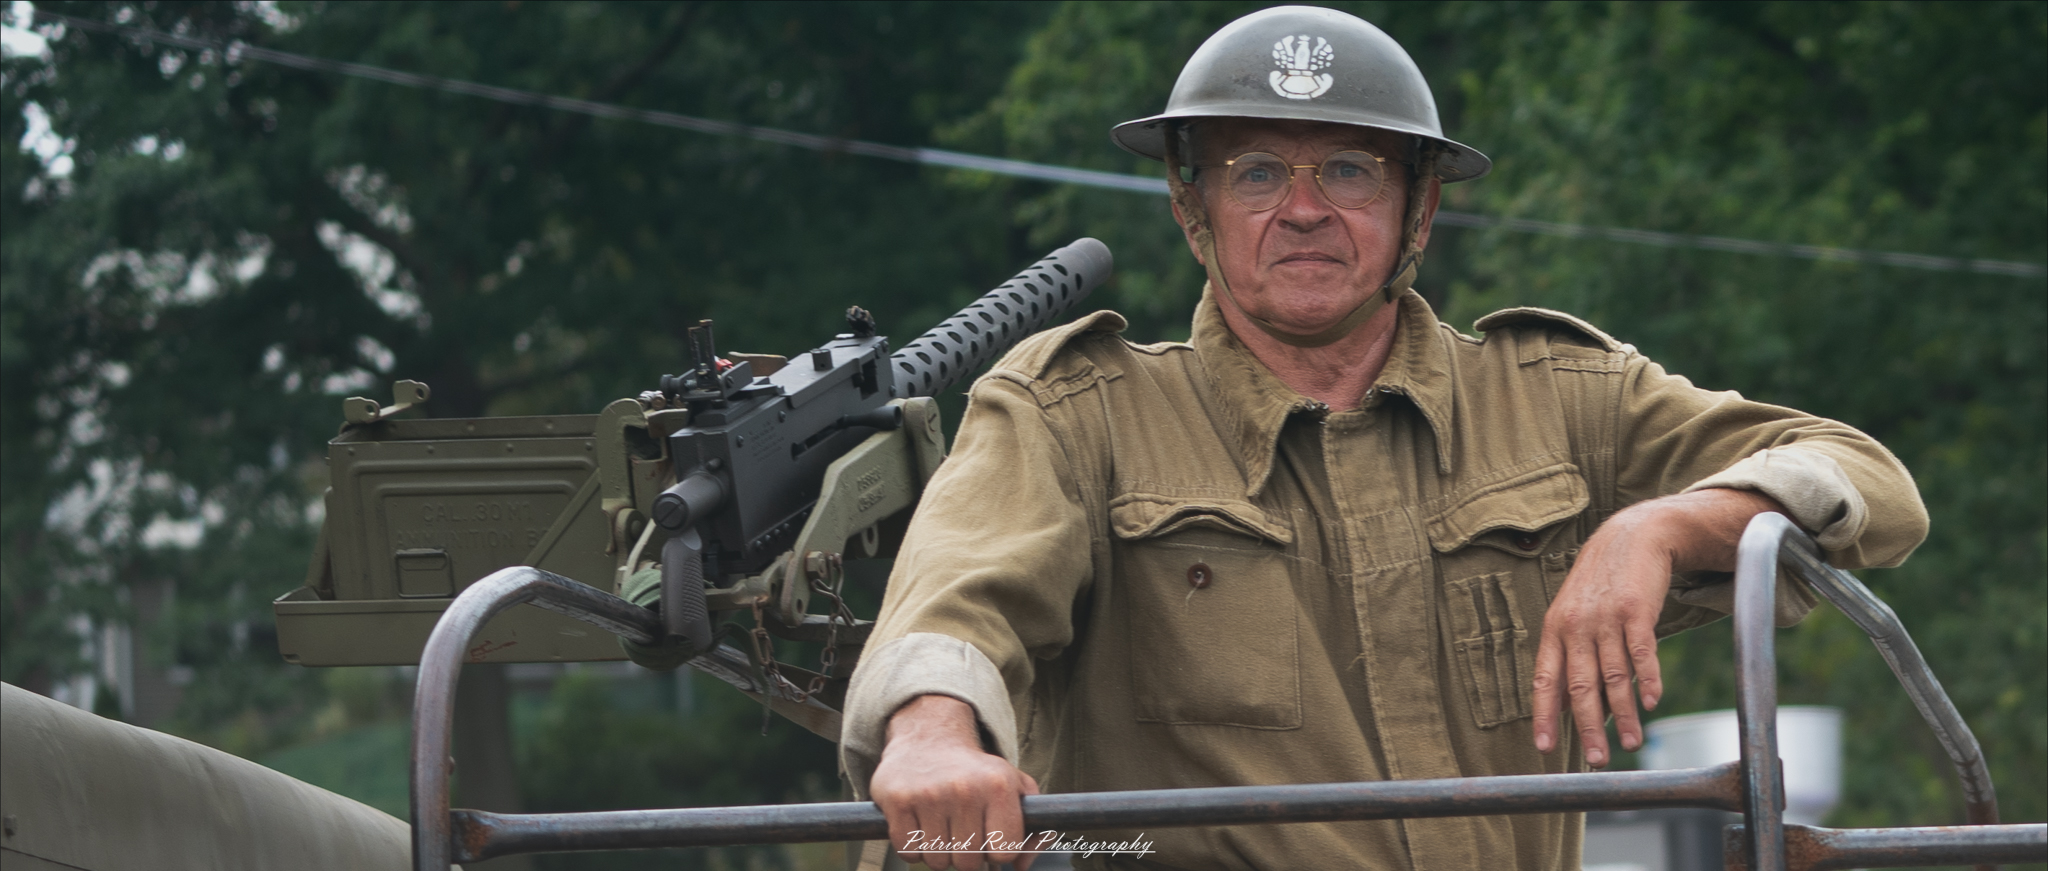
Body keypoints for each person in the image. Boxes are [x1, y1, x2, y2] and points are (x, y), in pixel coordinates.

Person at [837, 6, 1927, 870]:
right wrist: (931, 732)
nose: (1302, 209)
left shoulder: (1553, 395)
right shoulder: (1076, 412)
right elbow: (958, 598)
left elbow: (1863, 481)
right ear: (1190, 207)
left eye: (1348, 170)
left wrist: (1660, 526)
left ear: (1416, 210)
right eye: (1256, 171)